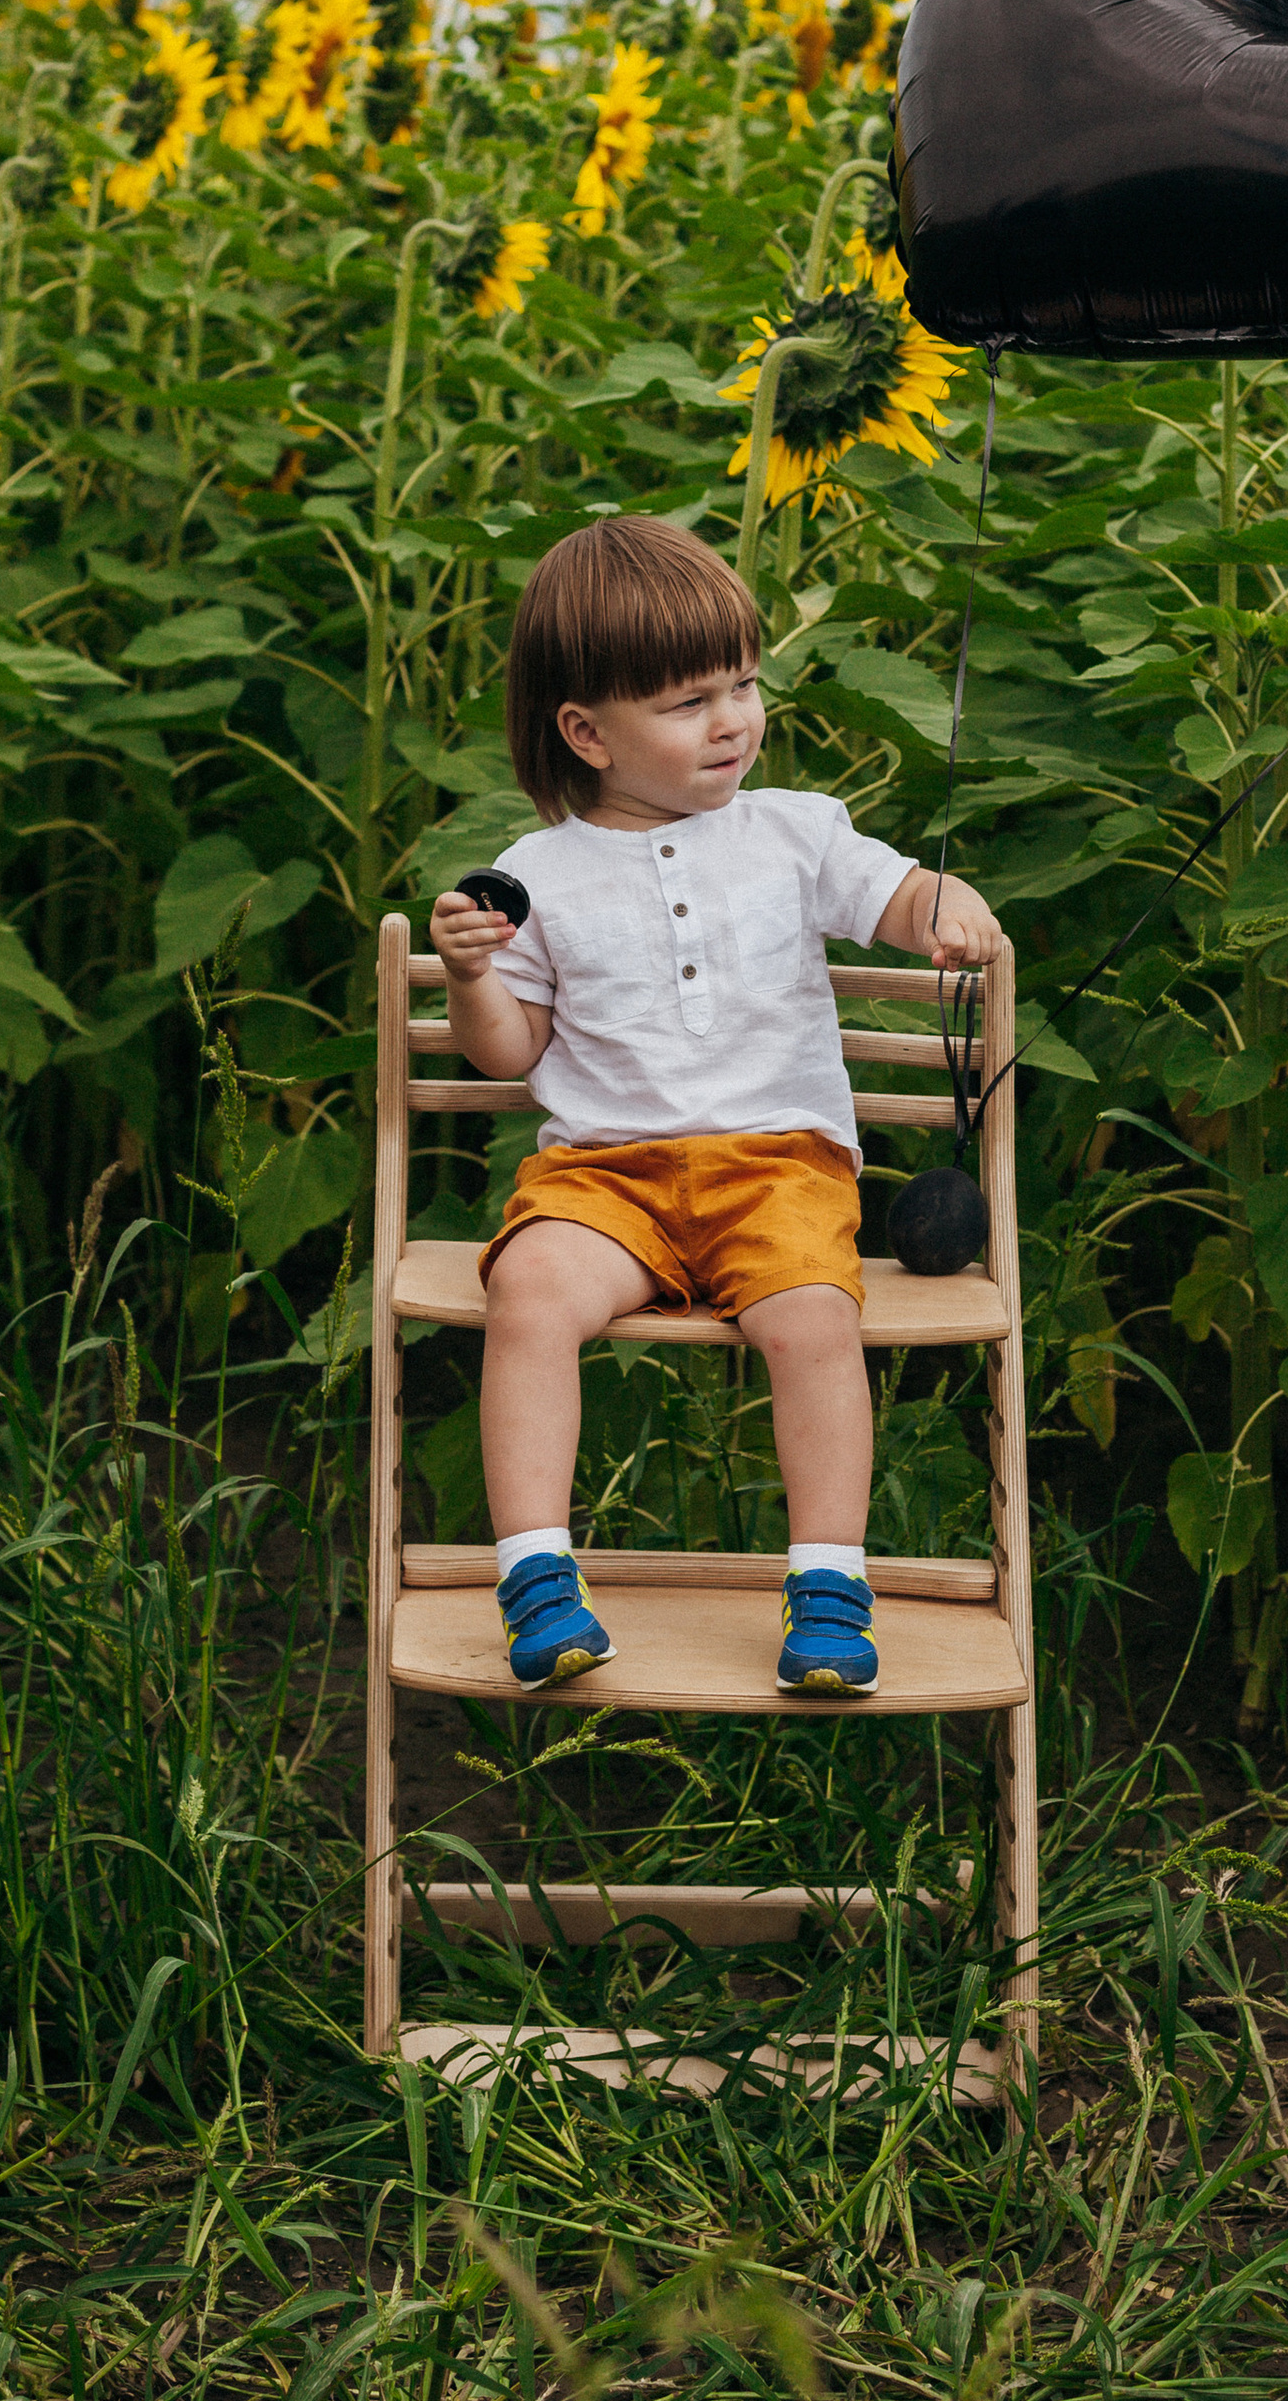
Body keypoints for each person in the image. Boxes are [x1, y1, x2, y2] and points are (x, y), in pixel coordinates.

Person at [429, 512, 1001, 1698]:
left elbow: (892, 895)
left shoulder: (796, 832)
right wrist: (476, 975)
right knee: (527, 1292)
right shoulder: (537, 873)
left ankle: (830, 1582)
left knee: (812, 1321)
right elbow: (507, 1055)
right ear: (586, 733)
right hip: (603, 1180)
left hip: (778, 1166)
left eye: (742, 682)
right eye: (689, 703)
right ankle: (536, 1572)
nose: (733, 717)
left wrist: (941, 900)